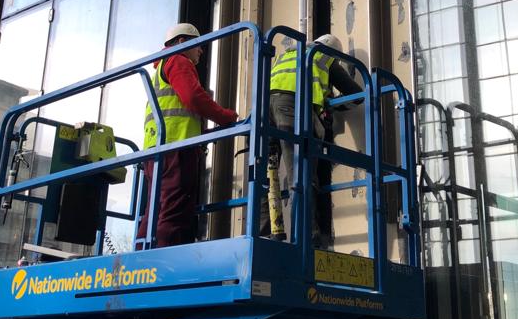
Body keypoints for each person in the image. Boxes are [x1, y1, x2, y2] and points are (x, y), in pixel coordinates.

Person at [137, 23, 238, 248]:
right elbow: (193, 97)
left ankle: (139, 262)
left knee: (155, 209)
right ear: (183, 42)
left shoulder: (160, 68)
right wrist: (226, 117)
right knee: (174, 210)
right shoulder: (178, 60)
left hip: (157, 150)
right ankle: (164, 265)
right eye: (198, 45)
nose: (201, 51)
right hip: (176, 148)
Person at [261, 34, 361, 245]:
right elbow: (356, 94)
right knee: (302, 172)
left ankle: (265, 231)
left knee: (268, 172)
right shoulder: (325, 58)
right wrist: (333, 104)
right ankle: (308, 235)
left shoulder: (290, 52)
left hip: (266, 108)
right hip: (291, 107)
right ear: (333, 50)